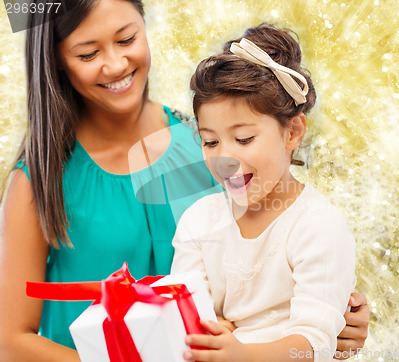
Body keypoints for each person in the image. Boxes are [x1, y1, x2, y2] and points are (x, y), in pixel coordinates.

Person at [0, 0, 368, 360]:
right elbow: (10, 342)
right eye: (87, 54)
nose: (115, 64)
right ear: (57, 62)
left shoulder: (207, 145)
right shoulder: (38, 181)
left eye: (127, 39)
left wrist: (336, 319)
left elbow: (280, 282)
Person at [170, 24, 362, 362]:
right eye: (210, 141)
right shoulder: (199, 221)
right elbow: (183, 320)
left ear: (293, 131)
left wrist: (241, 353)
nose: (226, 159)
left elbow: (315, 344)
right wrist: (210, 328)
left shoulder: (317, 226)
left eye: (244, 139)